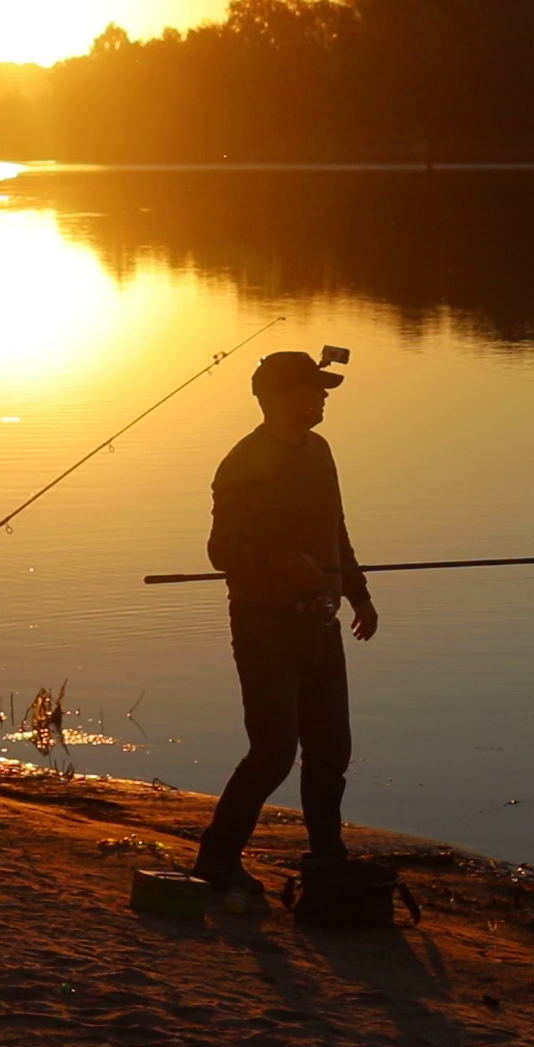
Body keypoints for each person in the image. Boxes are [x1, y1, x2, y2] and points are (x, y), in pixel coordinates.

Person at [190, 350, 379, 892]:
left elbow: (336, 533)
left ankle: (326, 858)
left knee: (330, 750)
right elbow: (221, 548)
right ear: (277, 397)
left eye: (322, 390)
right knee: (273, 752)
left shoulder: (320, 451)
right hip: (263, 625)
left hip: (322, 622)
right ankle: (217, 858)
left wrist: (359, 594)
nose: (322, 397)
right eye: (312, 389)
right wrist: (279, 561)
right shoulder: (242, 461)